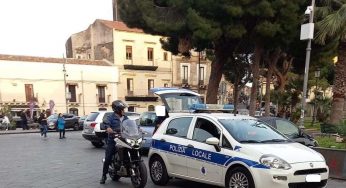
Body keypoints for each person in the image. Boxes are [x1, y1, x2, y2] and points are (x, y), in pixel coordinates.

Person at [100, 100, 128, 184]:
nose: (124, 110)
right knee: (108, 157)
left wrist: (138, 128)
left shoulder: (125, 117)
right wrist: (107, 128)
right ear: (117, 109)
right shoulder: (110, 117)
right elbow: (105, 123)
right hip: (113, 139)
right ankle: (104, 175)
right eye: (122, 109)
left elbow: (131, 124)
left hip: (124, 139)